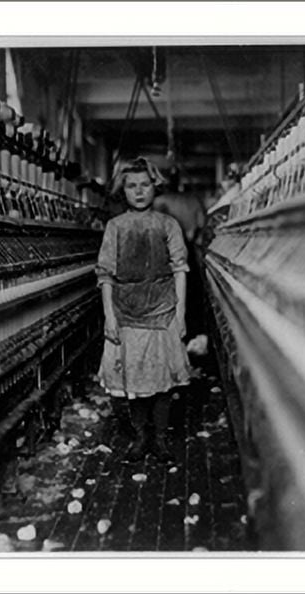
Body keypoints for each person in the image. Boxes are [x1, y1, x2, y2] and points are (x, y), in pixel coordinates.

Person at [94, 157, 191, 462]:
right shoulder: (115, 227)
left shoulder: (168, 225)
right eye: (131, 186)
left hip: (163, 312)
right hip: (127, 314)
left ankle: (160, 439)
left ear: (155, 187)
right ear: (123, 190)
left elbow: (180, 269)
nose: (138, 192)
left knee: (162, 382)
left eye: (145, 185)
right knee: (134, 383)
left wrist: (181, 312)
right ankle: (141, 437)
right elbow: (105, 274)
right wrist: (110, 316)